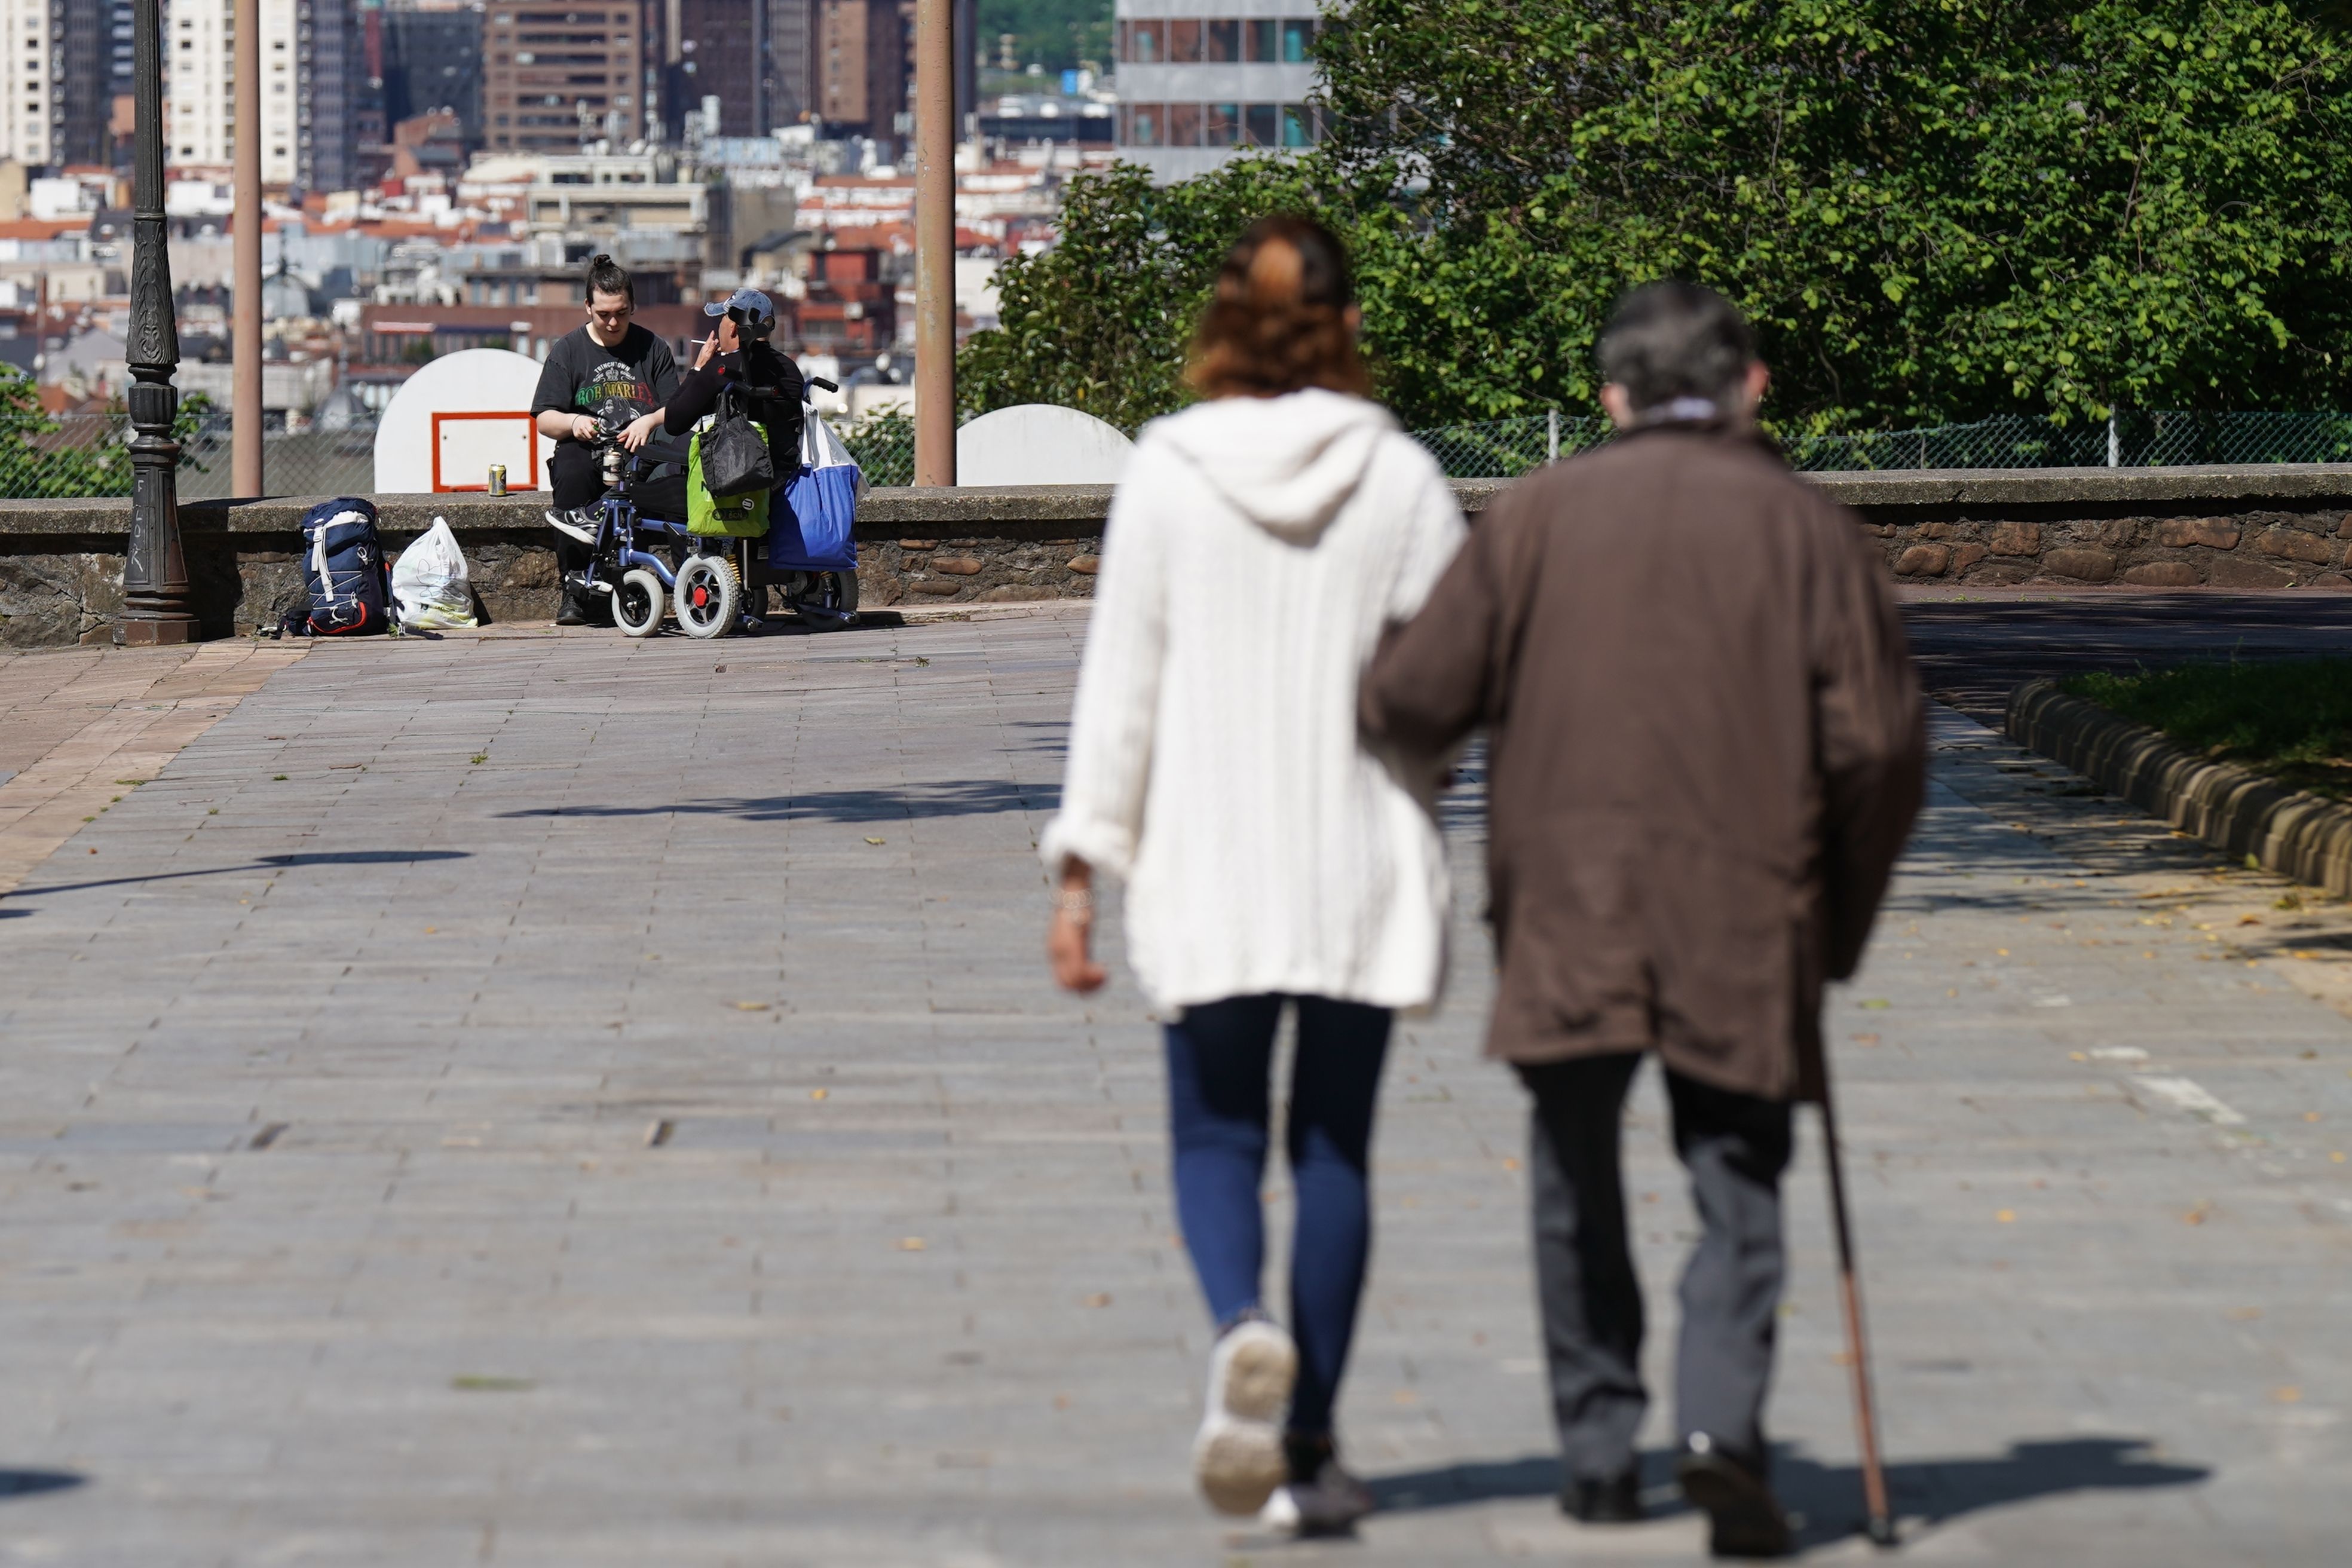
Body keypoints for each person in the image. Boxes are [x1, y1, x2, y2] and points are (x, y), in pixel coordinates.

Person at [1359, 282, 1924, 1558]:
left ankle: (1602, 1449)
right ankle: (1720, 1427)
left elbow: (1411, 695)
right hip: (1748, 897)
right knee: (1737, 1172)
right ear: (1752, 385)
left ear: (1611, 397)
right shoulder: (1808, 528)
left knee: (1573, 1175)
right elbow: (1882, 744)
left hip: (1570, 900)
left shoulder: (1537, 515)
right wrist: (1836, 917)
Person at [1040, 216, 1465, 1535]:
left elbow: (1125, 686)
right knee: (1335, 1148)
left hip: (1208, 861)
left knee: (1217, 1136)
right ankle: (1317, 1442)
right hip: (1352, 855)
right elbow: (1454, 675)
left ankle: (1241, 1327)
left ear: (1223, 319)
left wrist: (1081, 866)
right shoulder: (1401, 476)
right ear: (1345, 323)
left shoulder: (1167, 469)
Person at [531, 253, 682, 624]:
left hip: (640, 450)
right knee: (571, 470)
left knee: (673, 470)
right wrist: (574, 422)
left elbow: (675, 410)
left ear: (632, 306)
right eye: (604, 314)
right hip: (588, 448)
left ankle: (659, 578)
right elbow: (544, 418)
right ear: (588, 307)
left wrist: (648, 423)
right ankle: (575, 589)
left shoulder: (654, 348)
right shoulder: (568, 350)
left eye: (622, 313)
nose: (614, 322)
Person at [661, 287, 805, 472]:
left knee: (658, 453)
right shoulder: (791, 370)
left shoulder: (721, 369)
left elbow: (673, 422)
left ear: (734, 328)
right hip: (780, 475)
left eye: (722, 318)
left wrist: (699, 368)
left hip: (731, 474)